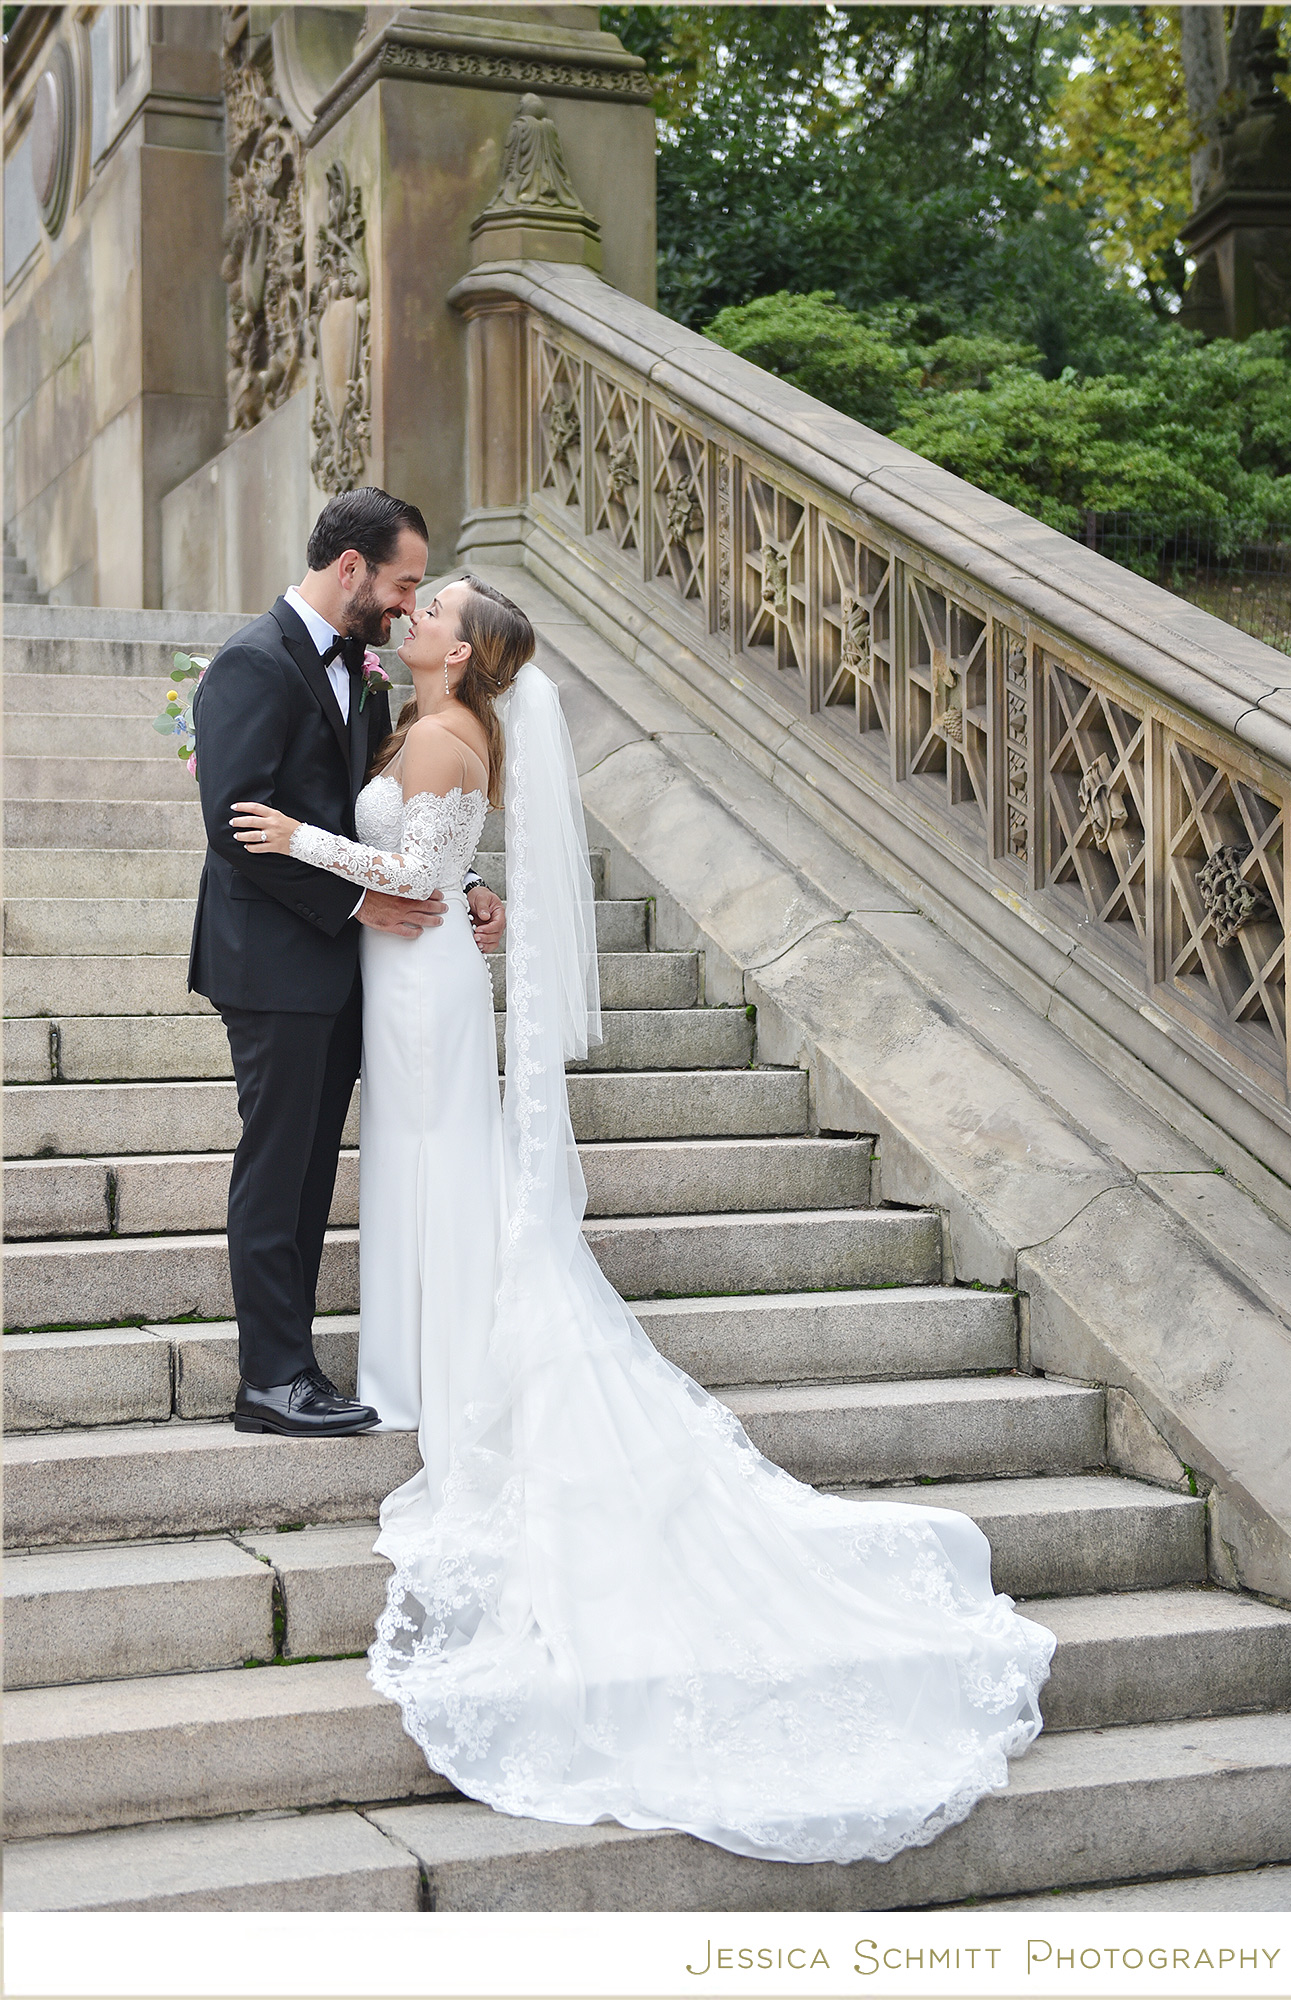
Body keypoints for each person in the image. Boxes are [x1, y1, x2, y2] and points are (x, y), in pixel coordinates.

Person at [229, 573, 1057, 1868]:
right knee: (412, 1172)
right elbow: (445, 866)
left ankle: (444, 1362)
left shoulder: (452, 731)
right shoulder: (416, 717)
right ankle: (414, 1356)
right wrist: (436, 879)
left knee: (443, 1168)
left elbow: (417, 867)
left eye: (435, 608)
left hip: (422, 980)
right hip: (399, 972)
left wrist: (302, 843)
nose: (417, 616)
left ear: (470, 647)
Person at [188, 491, 505, 1438]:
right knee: (277, 1169)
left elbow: (389, 810)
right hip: (271, 963)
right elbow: (236, 825)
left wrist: (468, 875)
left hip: (343, 968)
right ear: (353, 567)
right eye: (406, 582)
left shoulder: (365, 677)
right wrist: (364, 901)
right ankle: (271, 1382)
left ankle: (298, 1370)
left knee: (313, 1172)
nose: (411, 604)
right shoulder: (251, 663)